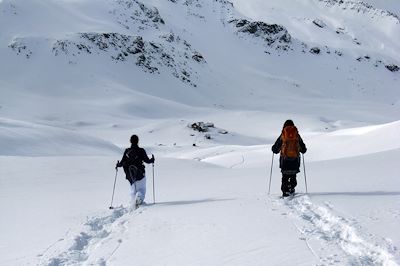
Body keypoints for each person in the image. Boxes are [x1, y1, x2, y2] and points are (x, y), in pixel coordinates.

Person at [116, 135, 154, 206]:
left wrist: (118, 165)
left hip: (130, 175)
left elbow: (121, 163)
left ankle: (133, 204)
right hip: (140, 174)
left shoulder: (127, 151)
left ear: (130, 141)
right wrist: (152, 160)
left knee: (133, 190)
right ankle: (139, 198)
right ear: (138, 141)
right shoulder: (141, 150)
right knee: (142, 189)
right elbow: (147, 161)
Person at [271, 120, 307, 197]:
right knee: (293, 175)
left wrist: (274, 149)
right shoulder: (297, 135)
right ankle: (291, 188)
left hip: (285, 160)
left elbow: (276, 148)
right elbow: (303, 148)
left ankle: (285, 192)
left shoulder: (283, 135)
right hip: (295, 160)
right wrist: (302, 150)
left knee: (285, 177)